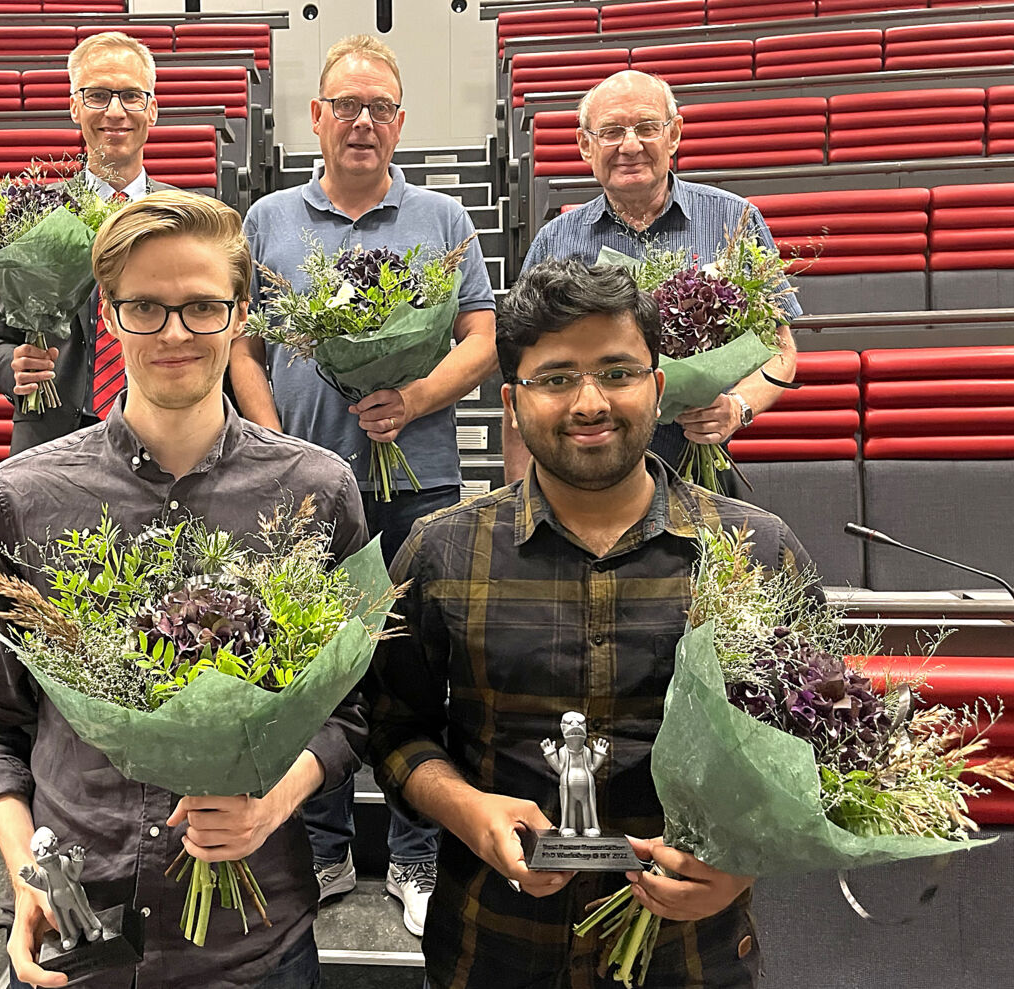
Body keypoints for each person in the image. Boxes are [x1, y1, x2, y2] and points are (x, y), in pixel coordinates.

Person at [0, 191, 368, 989]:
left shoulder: (317, 489)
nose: (176, 332)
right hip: (74, 922)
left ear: (240, 313)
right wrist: (24, 867)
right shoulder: (22, 495)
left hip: (255, 942)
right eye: (146, 306)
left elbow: (351, 711)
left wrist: (271, 805)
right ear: (107, 315)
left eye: (203, 306)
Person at [367, 258, 819, 988]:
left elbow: (810, 756)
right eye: (556, 378)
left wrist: (744, 862)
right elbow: (391, 728)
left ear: (660, 386)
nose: (589, 402)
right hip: (492, 950)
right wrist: (469, 810)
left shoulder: (759, 553)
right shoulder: (440, 551)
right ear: (511, 403)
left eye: (617, 372)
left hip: (690, 958)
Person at [228, 34, 497, 935]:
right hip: (302, 480)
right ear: (315, 116)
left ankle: (420, 856)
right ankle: (326, 844)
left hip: (418, 475)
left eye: (379, 108)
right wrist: (270, 440)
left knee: (414, 663)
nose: (362, 122)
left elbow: (484, 339)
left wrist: (413, 395)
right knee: (313, 664)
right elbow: (244, 346)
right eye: (346, 105)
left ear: (401, 122)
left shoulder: (447, 219)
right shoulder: (268, 219)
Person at [505, 69, 801, 484]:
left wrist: (738, 406)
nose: (630, 145)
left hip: (698, 467)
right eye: (610, 131)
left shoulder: (736, 221)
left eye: (646, 127)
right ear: (584, 145)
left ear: (674, 135)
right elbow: (521, 374)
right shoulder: (556, 240)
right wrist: (521, 494)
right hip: (586, 472)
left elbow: (781, 348)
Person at [0, 31, 174, 454]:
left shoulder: (183, 218)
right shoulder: (38, 216)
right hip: (52, 437)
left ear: (153, 109)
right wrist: (13, 369)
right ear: (74, 107)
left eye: (131, 96)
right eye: (98, 95)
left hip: (163, 431)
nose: (116, 111)